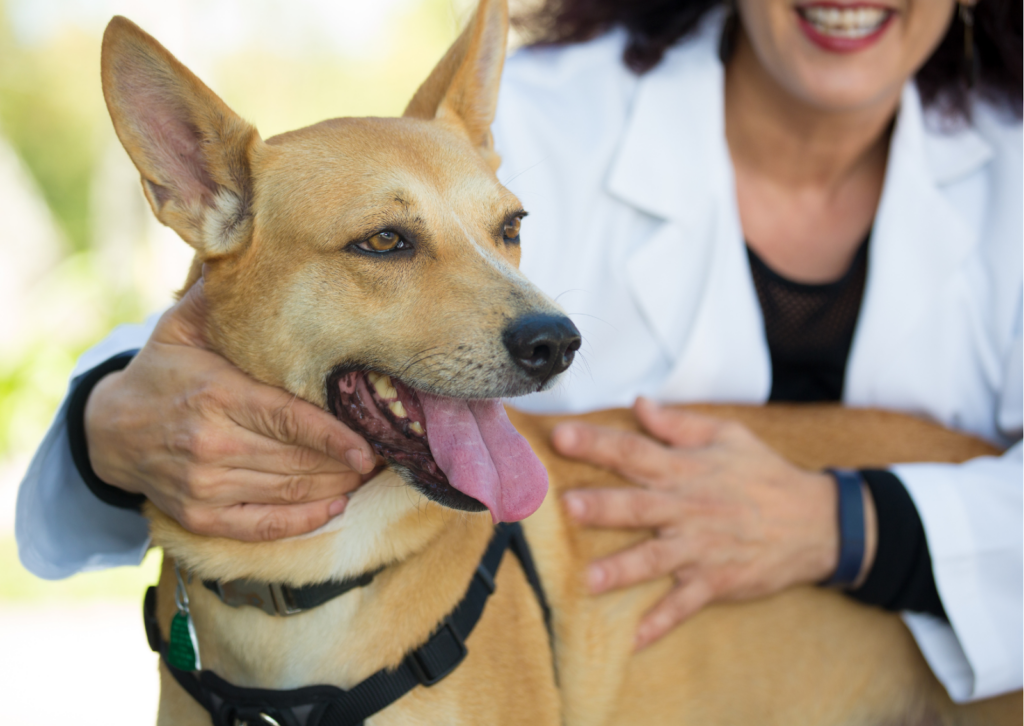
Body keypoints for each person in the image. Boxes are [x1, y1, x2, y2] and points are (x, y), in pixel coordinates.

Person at [17, 0, 1021, 705]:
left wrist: (851, 522)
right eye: (391, 242)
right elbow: (223, 310)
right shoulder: (528, 120)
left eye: (506, 231)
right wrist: (112, 421)